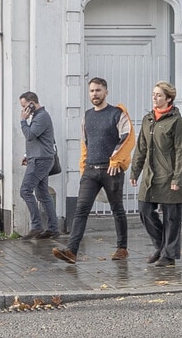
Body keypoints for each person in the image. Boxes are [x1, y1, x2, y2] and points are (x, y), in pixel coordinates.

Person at [52, 78, 136, 264]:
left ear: (106, 92)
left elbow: (128, 137)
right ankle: (71, 251)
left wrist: (116, 160)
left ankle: (122, 249)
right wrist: (83, 167)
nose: (94, 94)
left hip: (111, 170)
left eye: (98, 90)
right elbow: (85, 144)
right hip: (90, 170)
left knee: (117, 209)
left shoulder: (117, 114)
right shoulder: (87, 116)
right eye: (91, 91)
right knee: (81, 209)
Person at [129, 81, 182, 266]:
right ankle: (161, 245)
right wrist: (135, 171)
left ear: (168, 98)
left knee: (171, 216)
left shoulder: (176, 121)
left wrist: (177, 177)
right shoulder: (148, 120)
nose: (155, 98)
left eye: (159, 95)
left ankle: (169, 255)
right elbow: (141, 148)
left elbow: (181, 151)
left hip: (170, 175)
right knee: (144, 210)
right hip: (150, 176)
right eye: (154, 94)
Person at [17, 92, 60, 239]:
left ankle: (36, 226)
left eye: (24, 106)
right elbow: (38, 140)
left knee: (25, 190)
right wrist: (26, 155)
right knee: (43, 194)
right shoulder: (38, 117)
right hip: (39, 158)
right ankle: (53, 229)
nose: (23, 110)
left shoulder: (42, 116)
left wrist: (23, 121)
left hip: (41, 160)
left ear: (32, 103)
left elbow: (30, 135)